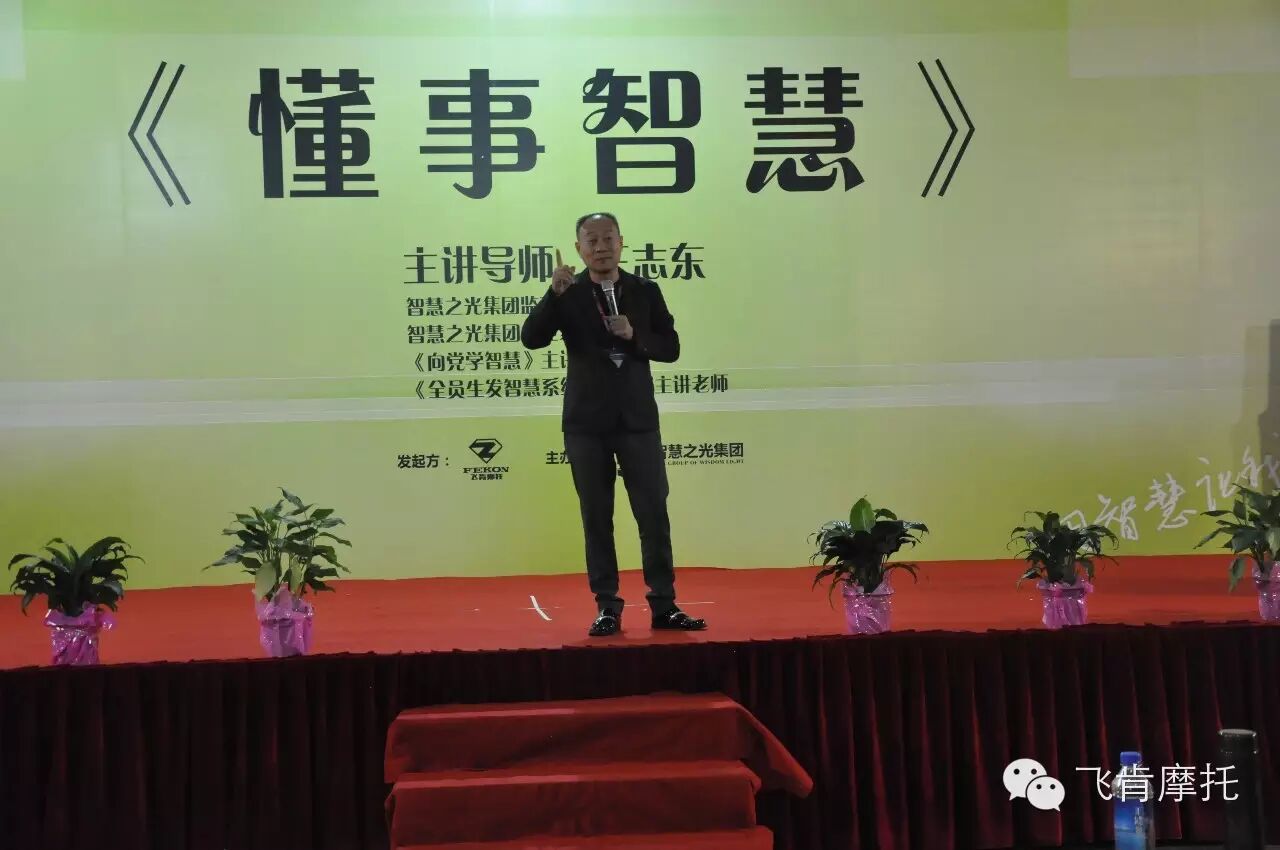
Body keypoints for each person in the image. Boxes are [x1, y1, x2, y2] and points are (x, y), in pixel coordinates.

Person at [521, 212, 707, 637]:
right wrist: (552, 294)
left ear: (622, 242)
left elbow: (671, 348)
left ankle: (664, 604)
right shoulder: (567, 293)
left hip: (637, 420)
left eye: (608, 239)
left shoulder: (645, 290)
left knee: (653, 514)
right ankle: (607, 606)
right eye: (591, 240)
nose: (601, 247)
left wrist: (633, 335)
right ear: (578, 249)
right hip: (586, 423)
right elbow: (532, 338)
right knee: (596, 516)